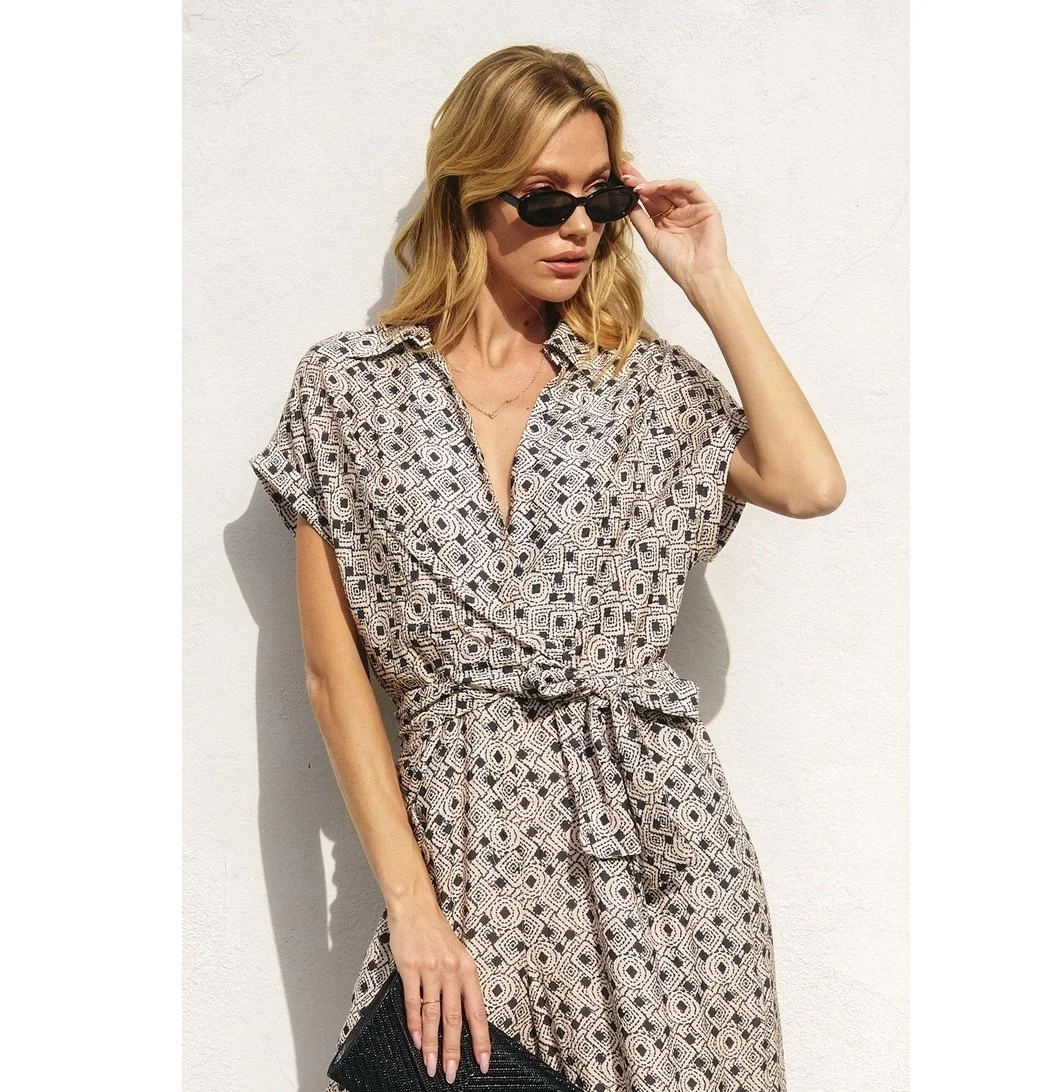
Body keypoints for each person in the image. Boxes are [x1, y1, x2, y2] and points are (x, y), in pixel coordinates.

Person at [250, 44, 844, 1092]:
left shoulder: (641, 386)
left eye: (600, 197)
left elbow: (808, 483)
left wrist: (709, 278)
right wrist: (411, 907)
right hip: (469, 847)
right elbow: (334, 677)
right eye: (544, 198)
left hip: (663, 853)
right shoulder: (350, 390)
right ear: (470, 194)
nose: (579, 226)